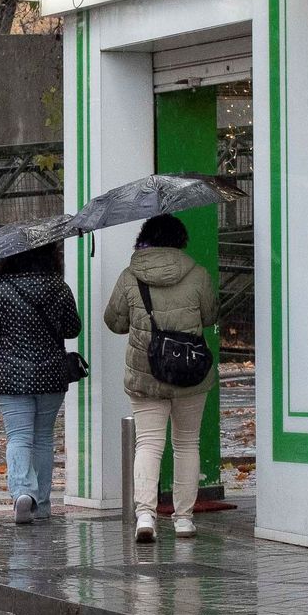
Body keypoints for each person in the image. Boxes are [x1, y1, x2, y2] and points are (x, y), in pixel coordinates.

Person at [104, 213, 217, 543]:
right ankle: (183, 519)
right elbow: (210, 315)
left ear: (144, 239)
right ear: (181, 241)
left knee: (149, 443)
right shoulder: (197, 274)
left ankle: (145, 517)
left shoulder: (130, 276)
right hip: (190, 373)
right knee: (186, 443)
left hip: (146, 373)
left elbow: (114, 321)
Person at [0, 243, 80, 524]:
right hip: (51, 376)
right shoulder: (58, 286)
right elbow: (73, 328)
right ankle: (42, 504)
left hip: (11, 377)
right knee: (43, 439)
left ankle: (22, 493)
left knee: (18, 437)